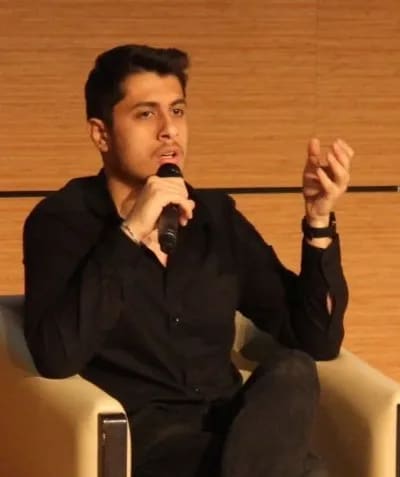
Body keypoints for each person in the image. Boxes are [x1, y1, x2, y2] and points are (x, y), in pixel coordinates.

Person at [23, 44, 352, 477]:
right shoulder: (62, 222)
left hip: (235, 433)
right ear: (101, 134)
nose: (169, 131)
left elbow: (315, 339)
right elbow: (56, 355)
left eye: (177, 111)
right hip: (146, 444)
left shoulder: (215, 218)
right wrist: (129, 234)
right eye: (146, 114)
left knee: (294, 369)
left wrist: (318, 220)